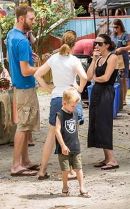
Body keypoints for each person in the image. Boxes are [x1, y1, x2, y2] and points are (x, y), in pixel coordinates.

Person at [34, 31, 88, 180]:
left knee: (51, 135)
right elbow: (84, 77)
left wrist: (48, 88)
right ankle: (71, 170)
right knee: (72, 135)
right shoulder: (74, 60)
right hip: (71, 96)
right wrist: (80, 89)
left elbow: (37, 74)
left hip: (57, 97)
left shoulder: (53, 59)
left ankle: (42, 170)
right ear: (74, 44)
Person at [7, 5, 40, 177]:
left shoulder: (11, 35)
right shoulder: (22, 40)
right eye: (31, 19)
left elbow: (16, 60)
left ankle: (25, 161)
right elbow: (26, 70)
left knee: (26, 125)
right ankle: (16, 165)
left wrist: (29, 58)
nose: (33, 22)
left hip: (19, 86)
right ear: (21, 19)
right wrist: (42, 68)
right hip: (25, 87)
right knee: (23, 126)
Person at [86, 33, 120, 170]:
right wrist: (93, 60)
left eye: (100, 44)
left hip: (106, 92)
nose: (97, 46)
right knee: (97, 122)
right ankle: (107, 158)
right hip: (96, 91)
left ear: (107, 44)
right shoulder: (99, 58)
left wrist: (94, 78)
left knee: (104, 123)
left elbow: (106, 78)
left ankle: (112, 159)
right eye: (96, 43)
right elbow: (88, 76)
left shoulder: (112, 57)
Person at [55, 88, 90, 198]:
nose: (74, 108)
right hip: (64, 148)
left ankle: (82, 188)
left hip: (75, 147)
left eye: (75, 106)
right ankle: (65, 187)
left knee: (79, 168)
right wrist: (62, 145)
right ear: (64, 103)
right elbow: (57, 131)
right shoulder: (60, 115)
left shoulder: (74, 113)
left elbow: (76, 129)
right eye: (72, 106)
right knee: (65, 170)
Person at [111, 19, 130, 109]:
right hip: (114, 58)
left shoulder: (125, 34)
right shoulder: (112, 35)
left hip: (123, 58)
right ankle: (117, 98)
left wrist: (121, 49)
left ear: (120, 26)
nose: (115, 29)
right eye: (114, 27)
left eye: (117, 27)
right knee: (115, 78)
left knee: (123, 78)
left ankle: (123, 99)